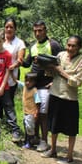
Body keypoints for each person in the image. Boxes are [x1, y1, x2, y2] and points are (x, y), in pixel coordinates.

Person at [41, 35, 82, 164]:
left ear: (79, 47)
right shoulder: (61, 55)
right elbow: (52, 73)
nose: (70, 48)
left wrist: (62, 72)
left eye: (74, 46)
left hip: (69, 98)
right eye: (69, 45)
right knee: (53, 124)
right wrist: (45, 65)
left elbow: (77, 82)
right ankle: (53, 149)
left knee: (71, 128)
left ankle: (69, 156)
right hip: (55, 93)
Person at [22, 20, 61, 152]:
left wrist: (54, 81)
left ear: (45, 31)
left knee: (43, 114)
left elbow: (60, 64)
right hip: (33, 86)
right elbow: (28, 63)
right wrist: (18, 60)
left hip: (46, 86)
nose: (37, 33)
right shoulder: (32, 47)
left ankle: (44, 141)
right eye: (35, 31)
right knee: (34, 114)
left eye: (40, 30)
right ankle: (35, 138)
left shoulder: (53, 45)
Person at [0, 17, 26, 119]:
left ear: (15, 29)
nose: (9, 29)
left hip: (11, 77)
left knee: (9, 101)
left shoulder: (19, 43)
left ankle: (10, 122)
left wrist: (12, 66)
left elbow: (20, 60)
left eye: (11, 27)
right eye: (7, 27)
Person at [21, 72, 41, 149]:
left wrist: (36, 113)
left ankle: (30, 142)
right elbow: (17, 82)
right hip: (26, 112)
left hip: (31, 113)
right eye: (26, 80)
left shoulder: (34, 90)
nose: (27, 83)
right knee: (26, 127)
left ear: (34, 82)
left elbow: (38, 102)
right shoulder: (25, 87)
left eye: (30, 81)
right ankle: (27, 141)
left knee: (30, 128)